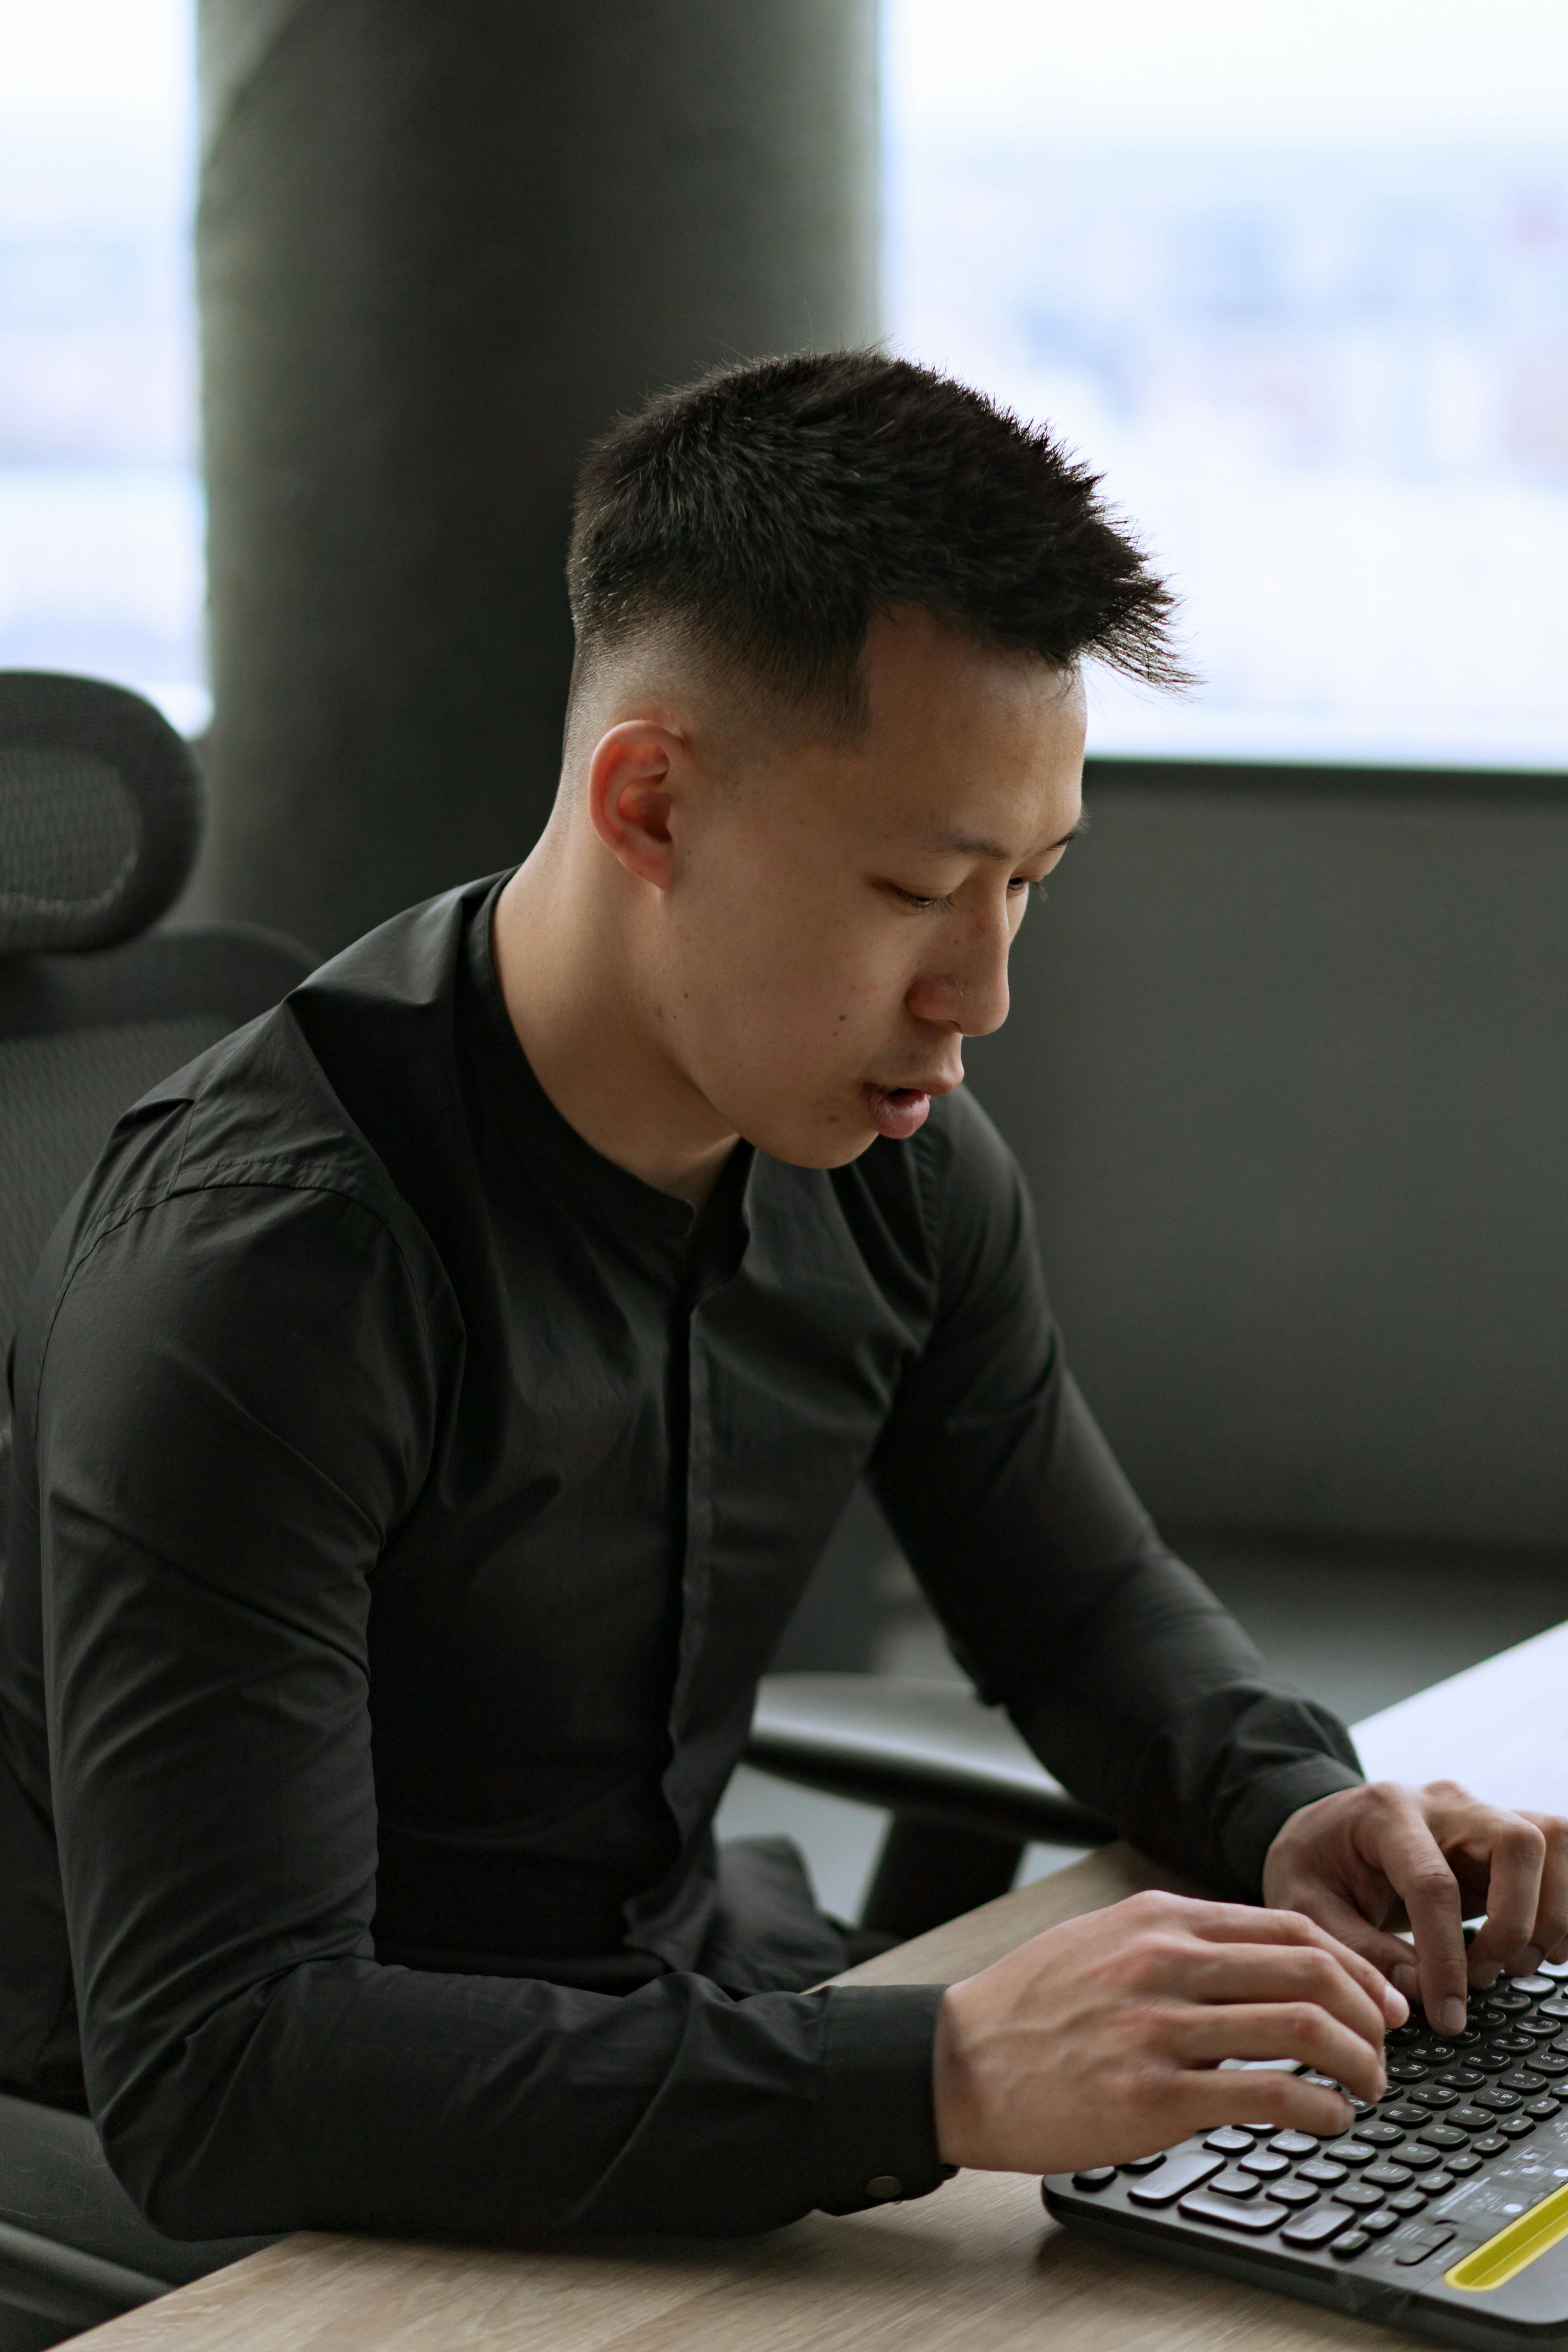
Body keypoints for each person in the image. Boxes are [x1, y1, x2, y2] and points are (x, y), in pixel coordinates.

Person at [2, 352, 1564, 2249]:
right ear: (650, 800)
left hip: (693, 2022)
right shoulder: (267, 1274)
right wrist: (939, 2078)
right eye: (919, 886)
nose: (979, 996)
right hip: (289, 2181)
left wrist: (1292, 1807)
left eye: (1029, 884)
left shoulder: (895, 1161)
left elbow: (1075, 1600)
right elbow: (229, 2072)